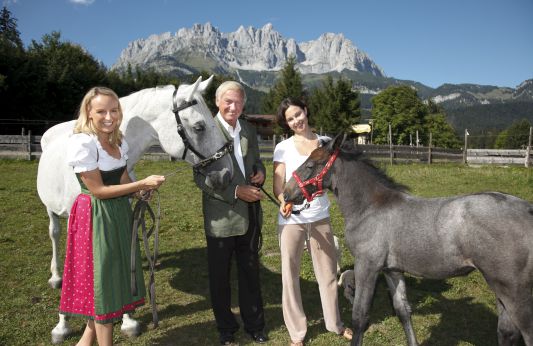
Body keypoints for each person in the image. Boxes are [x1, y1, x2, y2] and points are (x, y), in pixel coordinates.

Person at [58, 87, 165, 346]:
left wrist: (141, 192)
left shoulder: (118, 140)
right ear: (89, 113)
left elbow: (123, 178)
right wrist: (139, 186)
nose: (109, 116)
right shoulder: (83, 142)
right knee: (101, 283)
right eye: (101, 111)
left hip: (118, 214)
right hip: (94, 215)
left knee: (114, 275)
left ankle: (85, 342)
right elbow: (99, 190)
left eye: (114, 110)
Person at [272, 98, 353, 346]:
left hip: (320, 218)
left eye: (298, 114)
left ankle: (335, 324)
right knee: (290, 275)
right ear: (287, 123)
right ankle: (297, 334)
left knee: (328, 274)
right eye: (290, 118)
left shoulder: (326, 144)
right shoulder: (283, 147)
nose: (297, 121)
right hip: (291, 221)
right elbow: (278, 184)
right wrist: (283, 201)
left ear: (306, 111)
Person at [193, 81, 268, 345]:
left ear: (244, 104)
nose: (232, 107)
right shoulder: (204, 131)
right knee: (220, 278)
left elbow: (255, 160)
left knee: (250, 273)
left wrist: (261, 173)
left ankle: (255, 325)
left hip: (250, 216)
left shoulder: (247, 128)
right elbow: (200, 178)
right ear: (216, 101)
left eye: (237, 102)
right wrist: (236, 192)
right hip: (221, 219)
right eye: (228, 101)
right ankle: (226, 328)